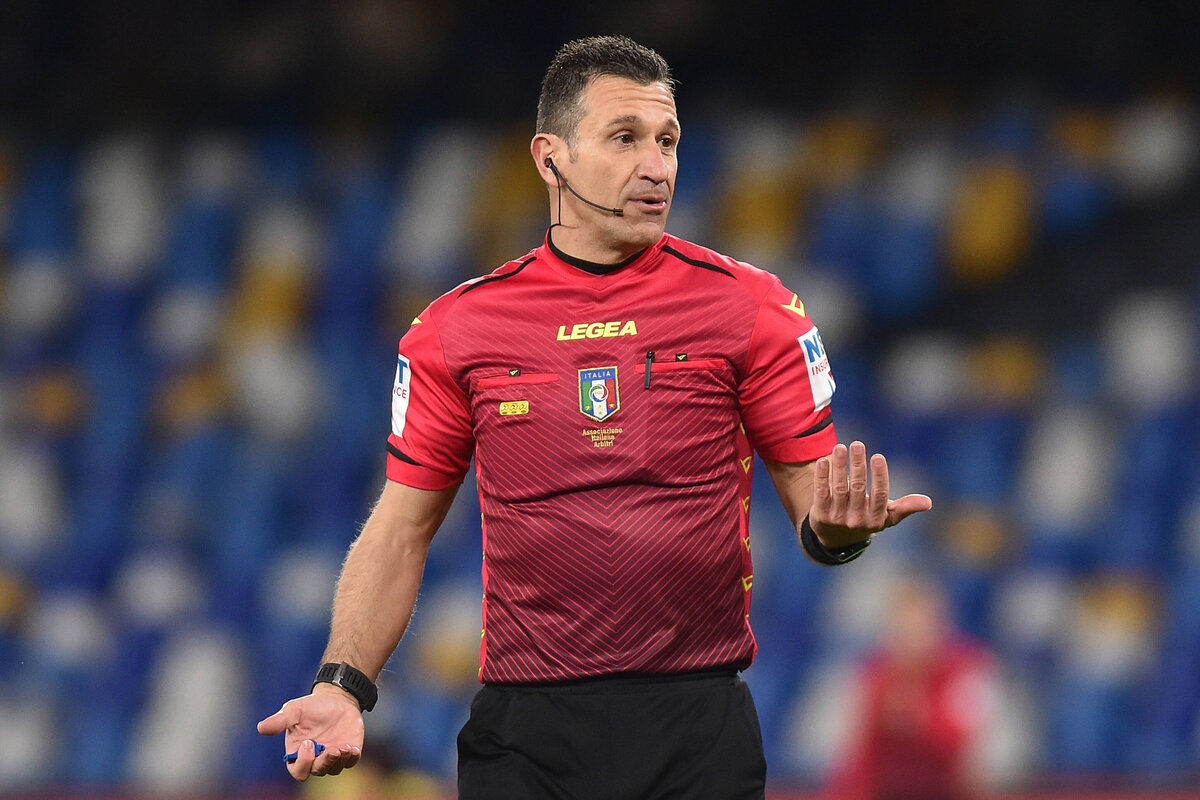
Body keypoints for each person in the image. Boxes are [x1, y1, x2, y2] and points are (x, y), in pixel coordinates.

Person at [257, 34, 931, 799]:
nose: (657, 165)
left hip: (697, 728)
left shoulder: (755, 310)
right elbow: (399, 529)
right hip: (526, 734)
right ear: (551, 158)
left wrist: (839, 538)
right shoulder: (455, 331)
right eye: (625, 138)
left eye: (668, 140)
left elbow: (818, 516)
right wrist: (344, 685)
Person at [821, 576, 998, 800]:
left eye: (920, 627)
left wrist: (920, 714)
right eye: (904, 629)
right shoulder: (875, 674)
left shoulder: (966, 668)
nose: (912, 639)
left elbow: (962, 744)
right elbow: (861, 755)